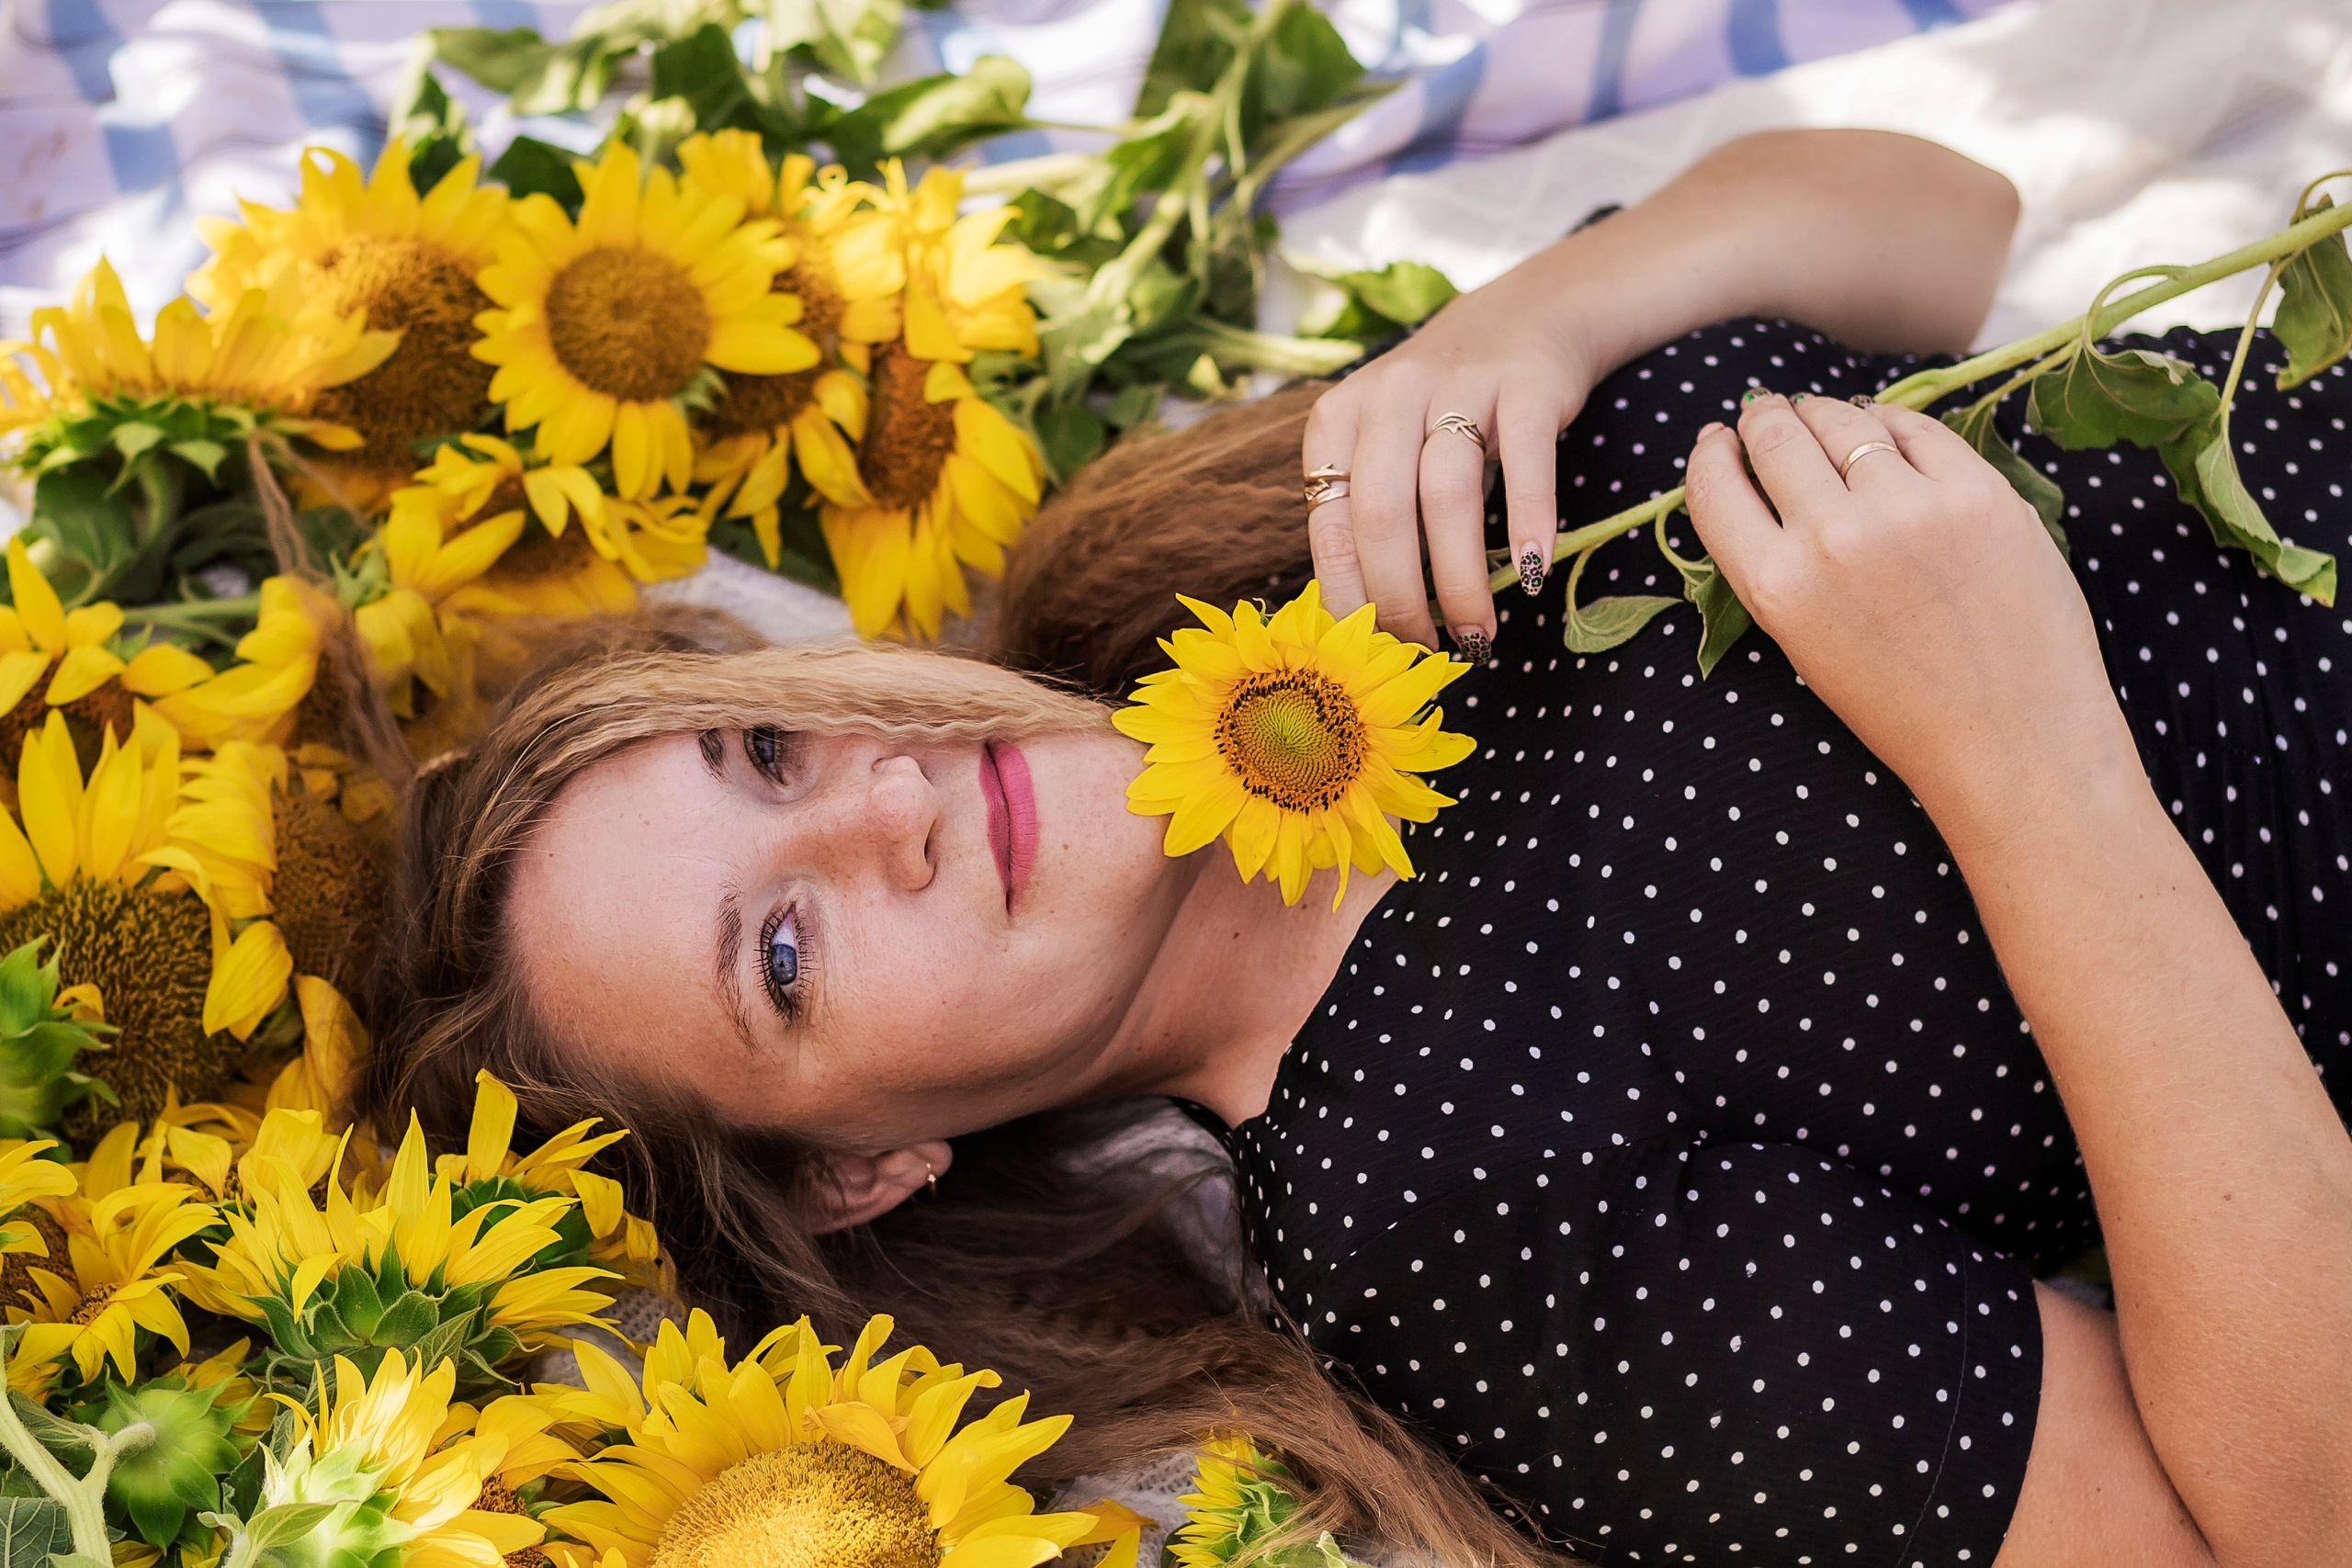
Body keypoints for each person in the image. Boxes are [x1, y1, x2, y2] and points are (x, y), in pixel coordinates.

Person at [356, 130, 2352, 1568]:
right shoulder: (1459, 1233)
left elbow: (1945, 217)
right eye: (779, 957)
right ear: (868, 1162)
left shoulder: (1252, 540)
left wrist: (1555, 304)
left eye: (772, 743)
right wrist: (2025, 763)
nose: (884, 806)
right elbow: (2269, 1518)